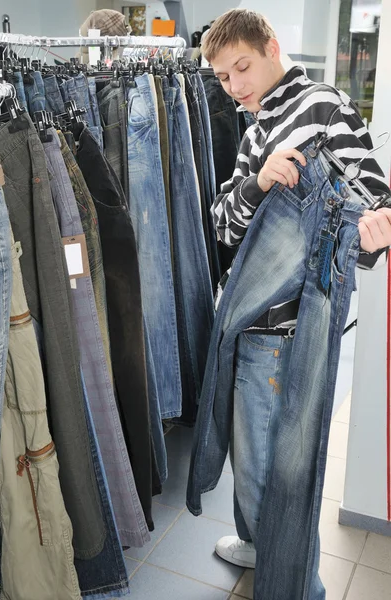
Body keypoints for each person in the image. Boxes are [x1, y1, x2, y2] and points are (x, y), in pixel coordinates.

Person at [201, 8, 391, 570]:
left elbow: (372, 212)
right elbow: (223, 225)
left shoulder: (326, 108)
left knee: (284, 465)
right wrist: (259, 185)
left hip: (288, 324)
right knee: (251, 449)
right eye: (223, 79)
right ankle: (261, 545)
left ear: (271, 47)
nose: (236, 87)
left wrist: (374, 236)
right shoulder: (256, 128)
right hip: (244, 313)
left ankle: (291, 576)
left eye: (242, 68)